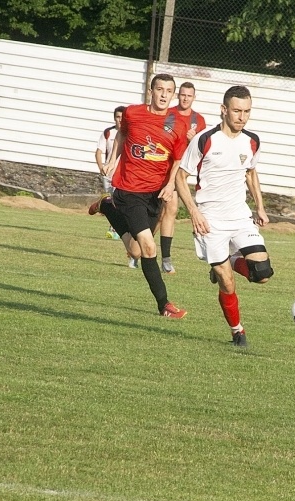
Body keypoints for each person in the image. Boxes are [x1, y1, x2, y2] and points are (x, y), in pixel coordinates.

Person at [174, 85, 273, 348]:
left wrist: (260, 207)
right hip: (210, 220)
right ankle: (237, 332)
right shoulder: (205, 140)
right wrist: (193, 212)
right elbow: (180, 177)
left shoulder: (252, 140)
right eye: (237, 111)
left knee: (263, 273)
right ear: (224, 110)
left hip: (240, 216)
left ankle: (226, 261)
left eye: (247, 111)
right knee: (227, 283)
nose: (242, 117)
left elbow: (251, 172)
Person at [87, 73, 189, 318]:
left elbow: (177, 158)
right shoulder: (133, 113)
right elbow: (122, 134)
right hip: (129, 189)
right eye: (160, 89)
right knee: (148, 246)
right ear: (151, 91)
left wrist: (170, 185)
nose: (164, 95)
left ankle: (106, 207)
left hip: (155, 194)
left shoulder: (178, 123)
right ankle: (164, 305)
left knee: (135, 250)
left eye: (169, 91)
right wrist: (113, 160)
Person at [158, 82, 207, 274]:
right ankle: (140, 249)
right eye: (183, 95)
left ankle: (165, 260)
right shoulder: (168, 114)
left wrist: (193, 139)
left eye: (189, 96)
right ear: (178, 96)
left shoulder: (199, 121)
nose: (186, 98)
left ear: (194, 98)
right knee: (158, 214)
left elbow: (203, 149)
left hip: (178, 173)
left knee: (171, 209)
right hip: (160, 167)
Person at [94, 105, 125, 240]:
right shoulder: (108, 133)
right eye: (118, 117)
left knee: (118, 201)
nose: (120, 120)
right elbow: (99, 151)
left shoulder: (128, 133)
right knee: (110, 202)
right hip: (109, 174)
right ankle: (115, 228)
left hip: (122, 174)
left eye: (122, 117)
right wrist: (101, 166)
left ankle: (116, 229)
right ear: (114, 118)